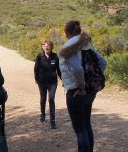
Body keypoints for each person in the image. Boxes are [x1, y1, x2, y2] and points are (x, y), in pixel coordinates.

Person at [58, 20, 107, 152]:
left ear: (66, 32)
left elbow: (78, 70)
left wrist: (81, 86)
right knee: (86, 125)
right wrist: (92, 80)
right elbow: (103, 63)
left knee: (80, 130)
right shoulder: (86, 44)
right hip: (90, 91)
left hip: (77, 91)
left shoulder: (69, 47)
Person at [34, 40, 61, 129]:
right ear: (42, 47)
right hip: (42, 82)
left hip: (52, 82)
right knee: (43, 99)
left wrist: (62, 78)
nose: (46, 47)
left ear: (51, 47)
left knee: (51, 99)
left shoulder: (55, 56)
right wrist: (36, 78)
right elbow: (36, 68)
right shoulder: (39, 56)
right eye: (44, 45)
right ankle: (42, 115)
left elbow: (59, 69)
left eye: (48, 45)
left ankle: (52, 121)